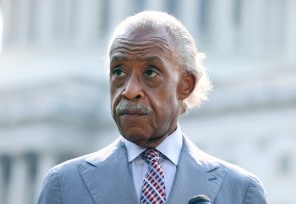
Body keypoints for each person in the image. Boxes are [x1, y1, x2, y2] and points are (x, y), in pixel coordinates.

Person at [38, 11, 267, 204]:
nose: (129, 90)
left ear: (185, 85)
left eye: (150, 73)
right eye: (118, 71)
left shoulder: (239, 192)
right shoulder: (63, 186)